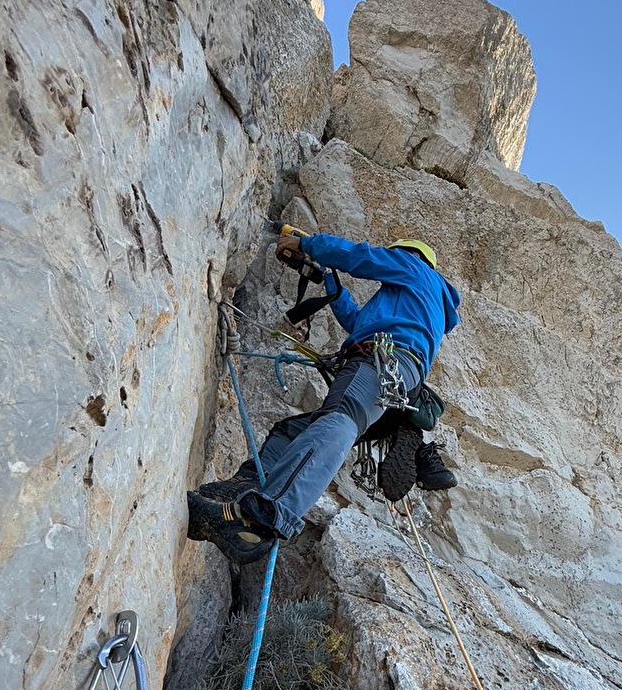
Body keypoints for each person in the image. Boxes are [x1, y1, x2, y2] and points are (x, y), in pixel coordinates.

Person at [187, 233, 461, 563]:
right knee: (291, 432)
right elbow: (359, 323)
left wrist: (308, 245)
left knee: (339, 419)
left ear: (409, 256)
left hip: (379, 364)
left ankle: (266, 513)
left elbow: (363, 257)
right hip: (396, 383)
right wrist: (333, 288)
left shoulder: (415, 269)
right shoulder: (417, 303)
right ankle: (247, 486)